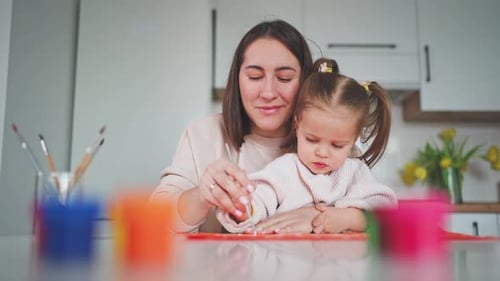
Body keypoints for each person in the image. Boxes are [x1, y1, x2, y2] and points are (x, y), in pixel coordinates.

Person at [150, 19, 314, 233]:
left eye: (284, 78)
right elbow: (156, 216)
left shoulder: (331, 138)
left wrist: (325, 216)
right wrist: (202, 196)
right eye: (255, 77)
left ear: (305, 82)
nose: (268, 93)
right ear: (237, 80)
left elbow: (367, 206)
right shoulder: (203, 134)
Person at [216, 58, 398, 234]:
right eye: (312, 139)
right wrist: (244, 207)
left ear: (354, 139)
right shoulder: (285, 169)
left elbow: (387, 214)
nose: (322, 152)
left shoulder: (355, 173)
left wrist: (349, 218)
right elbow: (261, 198)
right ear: (297, 126)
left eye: (337, 145)